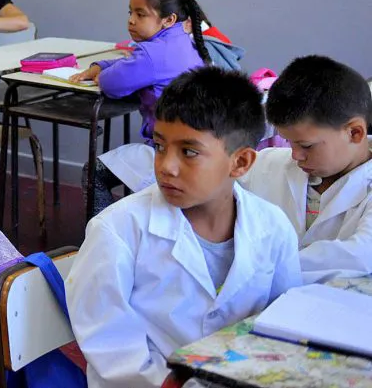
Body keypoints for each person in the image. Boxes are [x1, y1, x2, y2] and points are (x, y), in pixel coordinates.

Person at [66, 67, 301, 388]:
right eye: (161, 146)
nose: (166, 166)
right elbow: (106, 340)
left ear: (241, 162)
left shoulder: (272, 226)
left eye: (189, 152)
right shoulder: (117, 230)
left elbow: (282, 319)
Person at [70, 0, 209, 214]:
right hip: (199, 147)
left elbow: (112, 84)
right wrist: (102, 65)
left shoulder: (152, 53)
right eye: (130, 12)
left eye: (140, 14)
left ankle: (107, 237)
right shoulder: (184, 43)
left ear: (168, 20)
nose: (131, 20)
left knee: (93, 174)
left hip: (169, 151)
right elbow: (132, 64)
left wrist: (101, 72)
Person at [241, 55, 372, 283]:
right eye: (288, 141)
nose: (295, 155)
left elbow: (361, 254)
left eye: (306, 145)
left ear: (354, 133)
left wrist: (257, 264)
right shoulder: (268, 164)